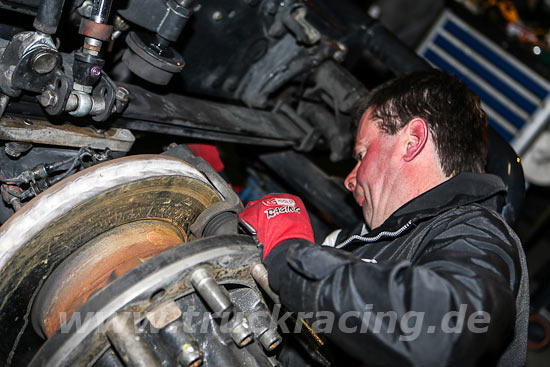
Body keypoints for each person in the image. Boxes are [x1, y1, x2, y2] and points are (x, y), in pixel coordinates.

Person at [239, 69, 529, 366]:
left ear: (412, 140)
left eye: (362, 155)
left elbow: (444, 329)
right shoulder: (366, 240)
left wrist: (290, 255)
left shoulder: (476, 231)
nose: (349, 180)